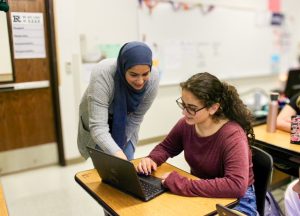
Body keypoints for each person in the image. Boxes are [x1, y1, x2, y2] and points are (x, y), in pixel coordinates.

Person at [136, 72, 258, 215]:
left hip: (237, 200)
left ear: (213, 108)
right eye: (183, 104)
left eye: (192, 108)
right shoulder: (187, 124)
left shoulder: (232, 136)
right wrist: (152, 159)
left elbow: (235, 186)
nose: (184, 112)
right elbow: (166, 147)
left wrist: (182, 183)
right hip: (202, 189)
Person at [77, 41, 159, 161]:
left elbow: (136, 117)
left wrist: (121, 148)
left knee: (127, 160)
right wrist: (116, 153)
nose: (140, 81)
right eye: (133, 75)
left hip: (126, 123)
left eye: (145, 74)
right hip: (99, 121)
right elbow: (98, 127)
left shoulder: (153, 79)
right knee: (106, 165)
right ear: (123, 68)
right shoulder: (103, 73)